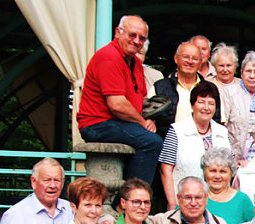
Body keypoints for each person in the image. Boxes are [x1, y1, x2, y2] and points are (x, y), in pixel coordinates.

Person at [77, 15, 162, 184]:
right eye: (132, 35)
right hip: (97, 123)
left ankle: (129, 195)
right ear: (118, 32)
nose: (137, 41)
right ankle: (131, 198)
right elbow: (117, 105)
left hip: (118, 122)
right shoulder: (109, 57)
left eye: (142, 38)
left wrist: (148, 119)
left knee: (153, 138)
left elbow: (141, 101)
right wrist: (141, 122)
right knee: (152, 142)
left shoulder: (136, 63)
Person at [158, 82, 231, 209]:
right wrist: (172, 203)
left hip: (217, 201)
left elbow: (231, 165)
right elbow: (166, 170)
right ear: (192, 105)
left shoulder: (222, 132)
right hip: (185, 201)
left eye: (211, 103)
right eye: (201, 102)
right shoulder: (177, 130)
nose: (206, 107)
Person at [152, 42, 216, 138]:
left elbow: (217, 121)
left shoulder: (210, 89)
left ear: (200, 63)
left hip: (201, 145)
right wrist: (149, 121)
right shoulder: (160, 86)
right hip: (167, 144)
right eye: (186, 57)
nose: (190, 61)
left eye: (195, 59)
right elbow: (146, 117)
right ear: (176, 59)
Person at [203, 147, 255, 224]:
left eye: (223, 172)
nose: (217, 176)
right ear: (204, 173)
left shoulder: (242, 200)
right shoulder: (196, 199)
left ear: (232, 174)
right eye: (213, 171)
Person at [210, 43, 241, 124]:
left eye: (229, 65)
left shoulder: (243, 85)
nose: (225, 69)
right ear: (214, 66)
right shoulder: (207, 84)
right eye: (221, 65)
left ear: (235, 66)